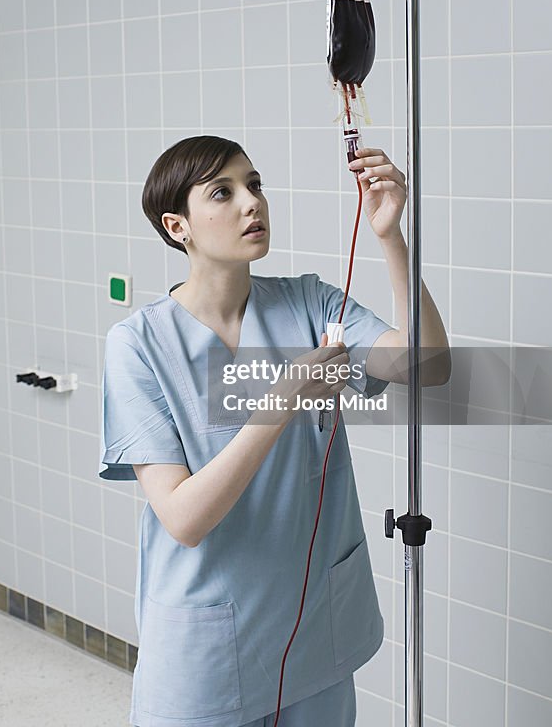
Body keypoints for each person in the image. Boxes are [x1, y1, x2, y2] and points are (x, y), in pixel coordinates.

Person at [99, 135, 450, 727]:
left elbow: (428, 366)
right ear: (176, 225)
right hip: (208, 646)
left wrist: (391, 237)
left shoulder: (308, 304)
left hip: (314, 628)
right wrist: (283, 398)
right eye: (223, 192)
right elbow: (184, 518)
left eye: (254, 185)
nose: (251, 203)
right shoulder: (137, 345)